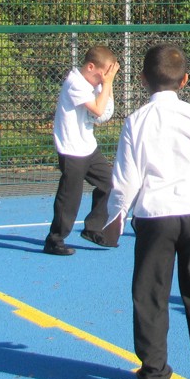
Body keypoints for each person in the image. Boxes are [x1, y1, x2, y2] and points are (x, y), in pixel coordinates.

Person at [106, 44, 190, 379]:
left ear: (143, 79)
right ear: (185, 80)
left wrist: (115, 218)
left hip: (154, 216)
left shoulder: (135, 121)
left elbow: (126, 179)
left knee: (150, 297)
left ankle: (154, 378)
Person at [43, 44, 123, 256]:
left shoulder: (93, 83)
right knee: (70, 197)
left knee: (110, 184)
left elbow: (103, 115)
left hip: (88, 147)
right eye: (101, 75)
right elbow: (97, 108)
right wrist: (108, 82)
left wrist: (107, 84)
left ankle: (93, 228)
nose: (103, 80)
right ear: (90, 67)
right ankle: (54, 239)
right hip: (71, 150)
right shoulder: (75, 83)